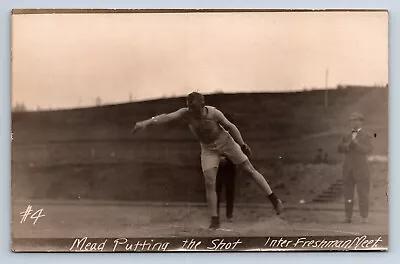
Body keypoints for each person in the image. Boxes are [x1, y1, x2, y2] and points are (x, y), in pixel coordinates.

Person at [131, 92, 284, 229]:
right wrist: (146, 122)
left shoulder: (214, 113)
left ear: (202, 106)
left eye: (195, 109)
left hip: (225, 141)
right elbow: (166, 117)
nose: (193, 113)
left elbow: (231, 127)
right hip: (208, 148)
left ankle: (274, 199)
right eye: (190, 108)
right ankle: (214, 219)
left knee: (249, 169)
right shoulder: (186, 113)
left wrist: (242, 144)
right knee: (209, 182)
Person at [338, 112, 373, 224]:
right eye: (351, 120)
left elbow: (369, 150)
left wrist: (357, 144)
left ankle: (364, 217)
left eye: (355, 120)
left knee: (363, 194)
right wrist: (347, 145)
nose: (353, 122)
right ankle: (348, 217)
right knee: (348, 194)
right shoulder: (346, 135)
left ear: (360, 121)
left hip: (362, 169)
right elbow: (339, 148)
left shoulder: (366, 135)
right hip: (348, 169)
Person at [216, 156, 236, 222]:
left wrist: (227, 158)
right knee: (216, 191)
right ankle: (215, 215)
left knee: (230, 191)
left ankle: (229, 215)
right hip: (216, 166)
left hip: (229, 166)